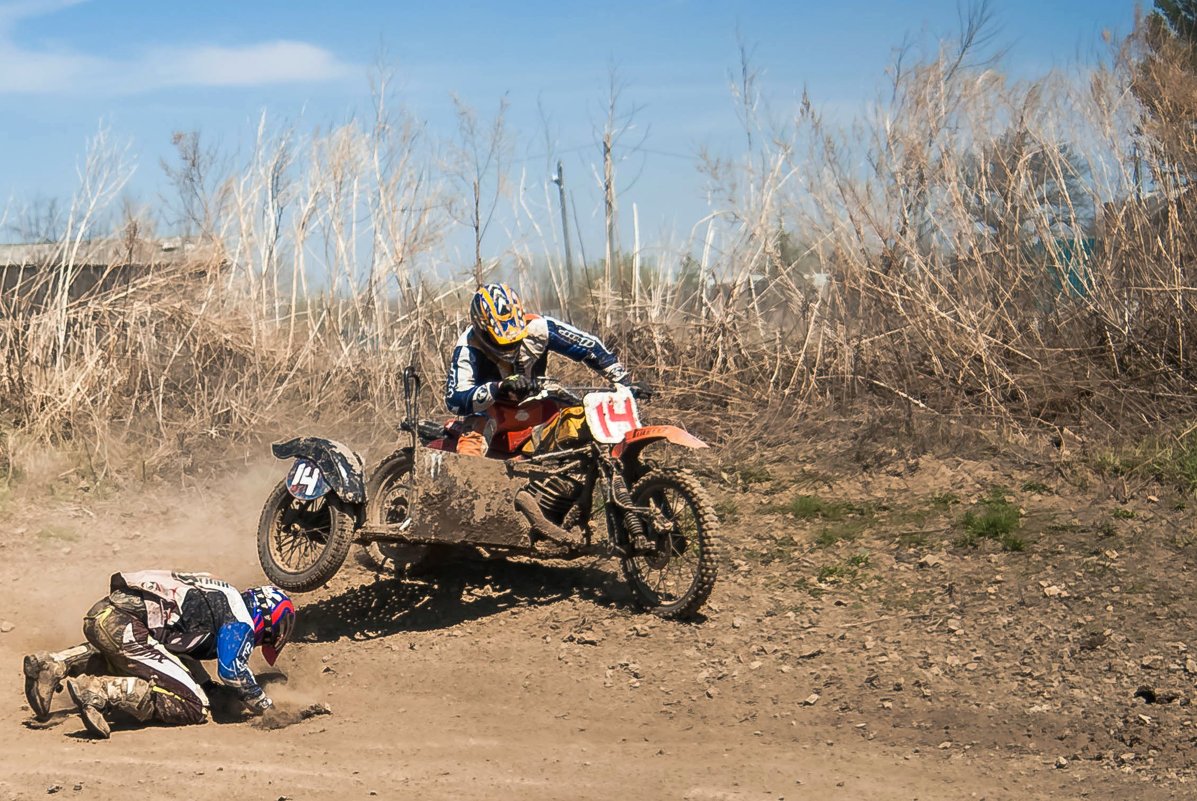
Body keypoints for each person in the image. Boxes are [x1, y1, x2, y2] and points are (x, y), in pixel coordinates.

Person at [22, 570, 295, 738]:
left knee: (137, 657)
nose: (258, 642)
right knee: (194, 706)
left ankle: (53, 663)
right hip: (126, 625)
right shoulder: (240, 619)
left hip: (105, 616)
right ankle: (101, 692)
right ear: (269, 618)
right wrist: (266, 707)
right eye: (265, 639)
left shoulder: (219, 593)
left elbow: (175, 655)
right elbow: (232, 670)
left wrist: (207, 685)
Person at [444, 282, 640, 456]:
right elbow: (454, 399)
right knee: (471, 440)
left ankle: (602, 476)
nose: (509, 346)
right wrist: (498, 387)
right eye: (501, 341)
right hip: (494, 413)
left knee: (588, 417)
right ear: (481, 329)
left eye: (515, 339)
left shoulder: (539, 327)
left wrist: (624, 382)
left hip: (538, 404)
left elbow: (590, 347)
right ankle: (469, 493)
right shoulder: (468, 347)